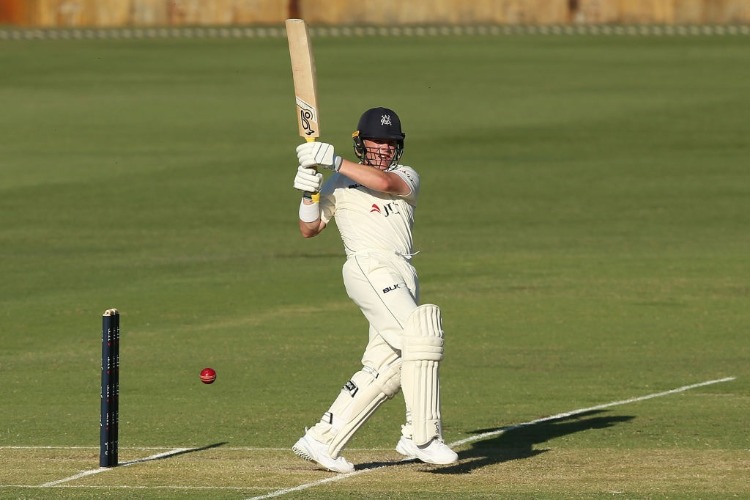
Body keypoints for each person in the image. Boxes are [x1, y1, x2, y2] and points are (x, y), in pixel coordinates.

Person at [290, 107, 458, 473]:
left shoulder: (405, 175)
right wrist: (308, 192)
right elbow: (310, 228)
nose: (383, 149)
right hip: (369, 265)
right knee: (422, 333)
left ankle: (323, 438)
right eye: (376, 141)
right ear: (361, 142)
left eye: (390, 143)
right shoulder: (337, 182)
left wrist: (333, 160)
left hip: (402, 270)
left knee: (391, 364)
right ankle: (422, 435)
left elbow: (382, 185)